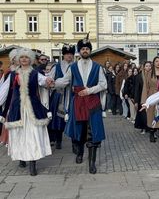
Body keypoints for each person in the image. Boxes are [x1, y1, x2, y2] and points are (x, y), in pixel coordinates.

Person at [54, 35, 107, 174]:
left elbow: (103, 84)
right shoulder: (73, 67)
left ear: (90, 51)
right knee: (80, 131)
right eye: (82, 49)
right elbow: (65, 81)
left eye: (87, 49)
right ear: (79, 51)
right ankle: (79, 153)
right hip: (78, 103)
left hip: (93, 103)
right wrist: (51, 82)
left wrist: (89, 90)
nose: (85, 51)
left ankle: (92, 163)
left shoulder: (97, 67)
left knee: (92, 132)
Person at [0, 48, 53, 176]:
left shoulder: (35, 73)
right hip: (17, 109)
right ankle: (21, 157)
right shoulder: (13, 74)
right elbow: (4, 91)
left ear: (30, 59)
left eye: (26, 57)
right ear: (18, 59)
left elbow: (43, 82)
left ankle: (33, 163)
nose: (24, 59)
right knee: (19, 134)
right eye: (22, 57)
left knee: (33, 134)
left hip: (32, 109)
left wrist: (48, 81)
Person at [47, 44, 75, 150]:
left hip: (71, 95)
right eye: (67, 54)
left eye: (71, 54)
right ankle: (58, 140)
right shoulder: (56, 67)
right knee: (58, 119)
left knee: (72, 119)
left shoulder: (75, 66)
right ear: (63, 55)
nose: (69, 56)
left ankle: (74, 143)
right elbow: (50, 79)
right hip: (58, 96)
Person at [134, 62, 151, 134]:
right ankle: (143, 128)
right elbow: (136, 89)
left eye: (150, 66)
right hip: (142, 98)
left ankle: (150, 129)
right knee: (143, 114)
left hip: (150, 97)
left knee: (150, 114)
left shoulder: (153, 75)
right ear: (144, 67)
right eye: (146, 66)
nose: (148, 67)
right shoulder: (139, 76)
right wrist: (136, 101)